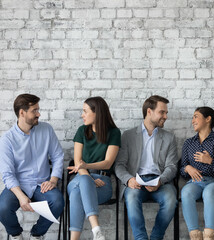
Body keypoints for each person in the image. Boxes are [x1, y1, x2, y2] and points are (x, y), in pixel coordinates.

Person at [0, 94, 64, 240]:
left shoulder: (47, 130)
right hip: (18, 185)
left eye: (38, 110)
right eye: (34, 110)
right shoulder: (7, 140)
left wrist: (53, 180)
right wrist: (21, 197)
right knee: (2, 207)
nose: (38, 114)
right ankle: (16, 234)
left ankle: (37, 234)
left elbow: (58, 156)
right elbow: (8, 174)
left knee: (58, 202)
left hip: (42, 184)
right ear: (22, 113)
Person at [115, 95, 178, 240]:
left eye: (166, 113)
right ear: (149, 111)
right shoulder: (128, 136)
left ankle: (156, 238)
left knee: (170, 200)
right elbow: (119, 165)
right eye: (162, 112)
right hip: (136, 181)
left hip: (160, 181)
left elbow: (172, 166)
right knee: (131, 198)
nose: (166, 116)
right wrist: (129, 180)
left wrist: (160, 181)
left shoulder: (169, 138)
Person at [67, 96, 121, 240]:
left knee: (76, 194)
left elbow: (108, 162)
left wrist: (86, 166)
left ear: (97, 112)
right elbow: (78, 161)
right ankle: (96, 229)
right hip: (81, 178)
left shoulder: (114, 133)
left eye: (85, 111)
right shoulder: (81, 131)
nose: (82, 115)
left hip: (103, 183)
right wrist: (89, 178)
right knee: (84, 181)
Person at [180, 107, 214, 240]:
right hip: (195, 182)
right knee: (186, 192)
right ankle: (195, 236)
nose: (193, 120)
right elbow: (182, 170)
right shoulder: (189, 143)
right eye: (193, 117)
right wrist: (187, 168)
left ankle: (209, 237)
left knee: (209, 193)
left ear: (208, 119)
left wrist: (210, 161)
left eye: (196, 116)